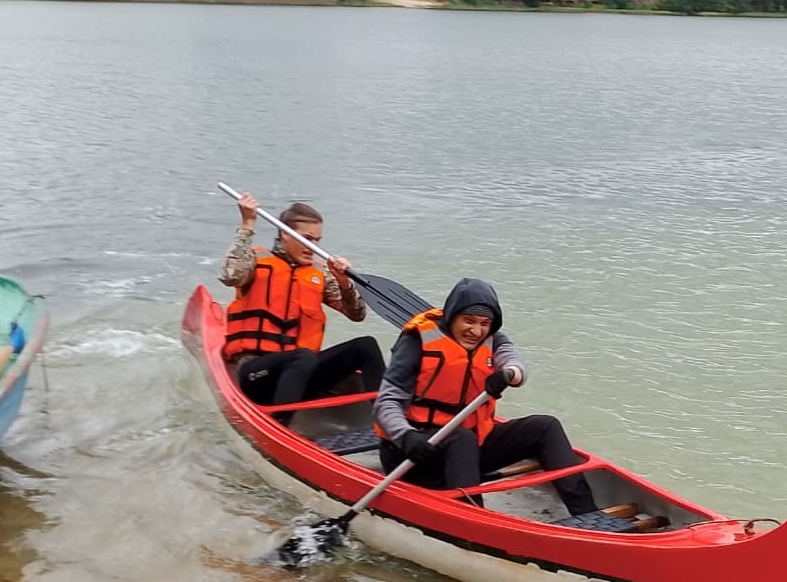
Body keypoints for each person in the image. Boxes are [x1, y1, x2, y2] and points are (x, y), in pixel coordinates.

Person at [373, 277, 598, 516]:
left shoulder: (493, 339)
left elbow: (515, 364)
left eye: (484, 323)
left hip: (468, 451)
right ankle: (471, 517)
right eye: (468, 321)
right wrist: (406, 436)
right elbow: (386, 403)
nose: (476, 331)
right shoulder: (416, 343)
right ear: (451, 317)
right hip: (415, 454)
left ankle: (587, 513)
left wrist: (509, 374)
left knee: (545, 426)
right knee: (461, 438)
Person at [219, 193, 386, 418]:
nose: (313, 246)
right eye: (307, 238)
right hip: (256, 373)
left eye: (317, 240)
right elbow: (230, 275)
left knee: (365, 346)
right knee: (304, 356)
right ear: (285, 235)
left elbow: (357, 314)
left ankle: (388, 419)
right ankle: (279, 425)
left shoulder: (320, 273)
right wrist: (248, 223)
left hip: (300, 375)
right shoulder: (256, 261)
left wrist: (344, 282)